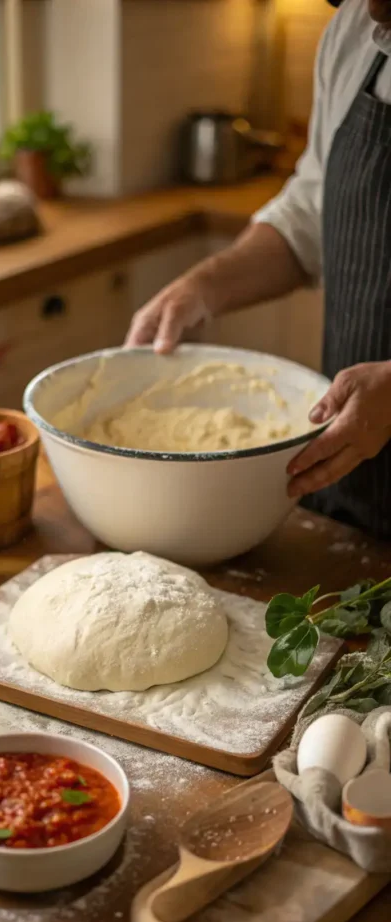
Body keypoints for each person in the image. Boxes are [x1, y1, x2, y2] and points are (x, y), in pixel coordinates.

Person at [124, 0, 391, 539]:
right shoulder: (353, 34)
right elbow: (312, 212)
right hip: (356, 499)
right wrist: (205, 285)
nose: (366, 8)